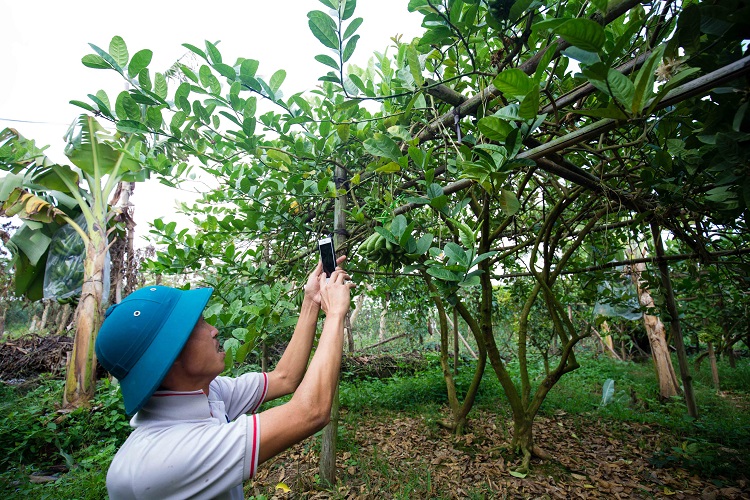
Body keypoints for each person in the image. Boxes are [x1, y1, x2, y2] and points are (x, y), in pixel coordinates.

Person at [94, 257, 354, 499]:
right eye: (199, 324)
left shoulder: (207, 394)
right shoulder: (165, 456)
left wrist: (311, 301)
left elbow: (284, 378)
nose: (213, 330)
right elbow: (310, 412)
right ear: (169, 354)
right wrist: (334, 315)